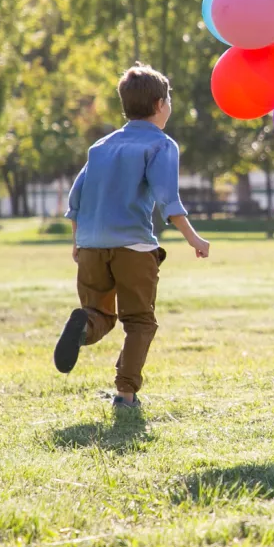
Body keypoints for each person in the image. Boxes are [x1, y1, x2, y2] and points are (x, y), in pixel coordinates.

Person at [53, 63, 211, 410]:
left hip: (92, 246)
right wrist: (194, 239)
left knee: (99, 314)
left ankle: (84, 326)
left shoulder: (101, 146)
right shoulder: (161, 145)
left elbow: (75, 198)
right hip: (133, 247)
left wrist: (78, 241)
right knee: (139, 321)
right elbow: (169, 200)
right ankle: (125, 395)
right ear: (159, 105)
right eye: (168, 100)